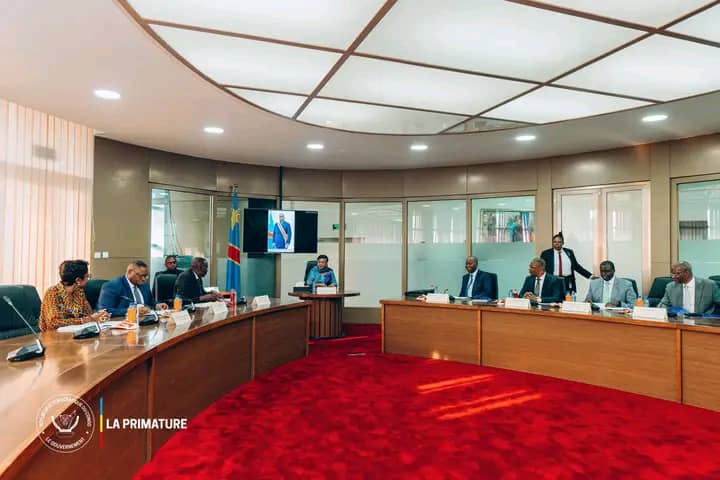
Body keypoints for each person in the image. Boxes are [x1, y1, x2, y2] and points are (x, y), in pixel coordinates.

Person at [39, 260, 110, 331]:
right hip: (54, 335)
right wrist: (85, 320)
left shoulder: (79, 292)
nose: (88, 279)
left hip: (76, 333)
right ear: (78, 280)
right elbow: (53, 323)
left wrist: (99, 316)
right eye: (87, 276)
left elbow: (88, 314)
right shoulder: (52, 293)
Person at [98, 260, 168, 317]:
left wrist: (157, 305)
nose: (144, 279)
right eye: (141, 276)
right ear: (129, 272)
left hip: (146, 321)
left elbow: (150, 302)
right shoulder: (112, 286)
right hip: (124, 324)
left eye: (146, 276)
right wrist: (134, 311)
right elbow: (104, 310)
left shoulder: (144, 285)